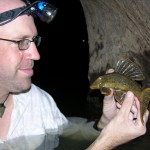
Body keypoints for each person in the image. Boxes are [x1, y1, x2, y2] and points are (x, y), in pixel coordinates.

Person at [0, 0, 148, 149]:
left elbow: (68, 130)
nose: (36, 55)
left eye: (33, 40)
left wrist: (105, 123)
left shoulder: (36, 99)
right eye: (21, 42)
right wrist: (105, 143)